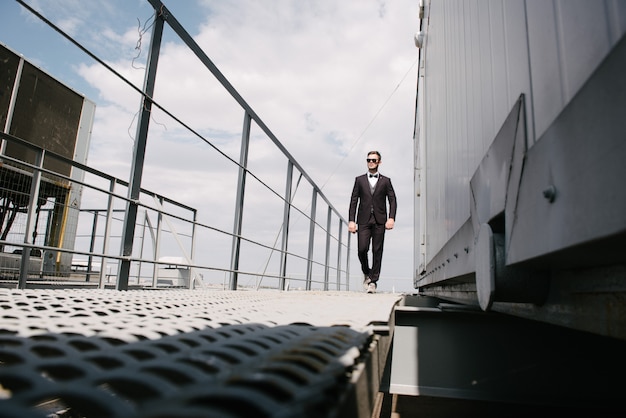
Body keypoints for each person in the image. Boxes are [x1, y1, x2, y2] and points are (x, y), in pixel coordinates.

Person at [348, 151, 397, 293]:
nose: (371, 162)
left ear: (379, 162)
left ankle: (373, 281)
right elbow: (353, 201)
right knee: (362, 249)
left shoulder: (386, 181)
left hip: (380, 220)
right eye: (369, 160)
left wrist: (391, 218)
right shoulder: (359, 180)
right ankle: (367, 271)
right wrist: (351, 220)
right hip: (363, 220)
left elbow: (392, 200)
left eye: (374, 160)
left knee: (377, 250)